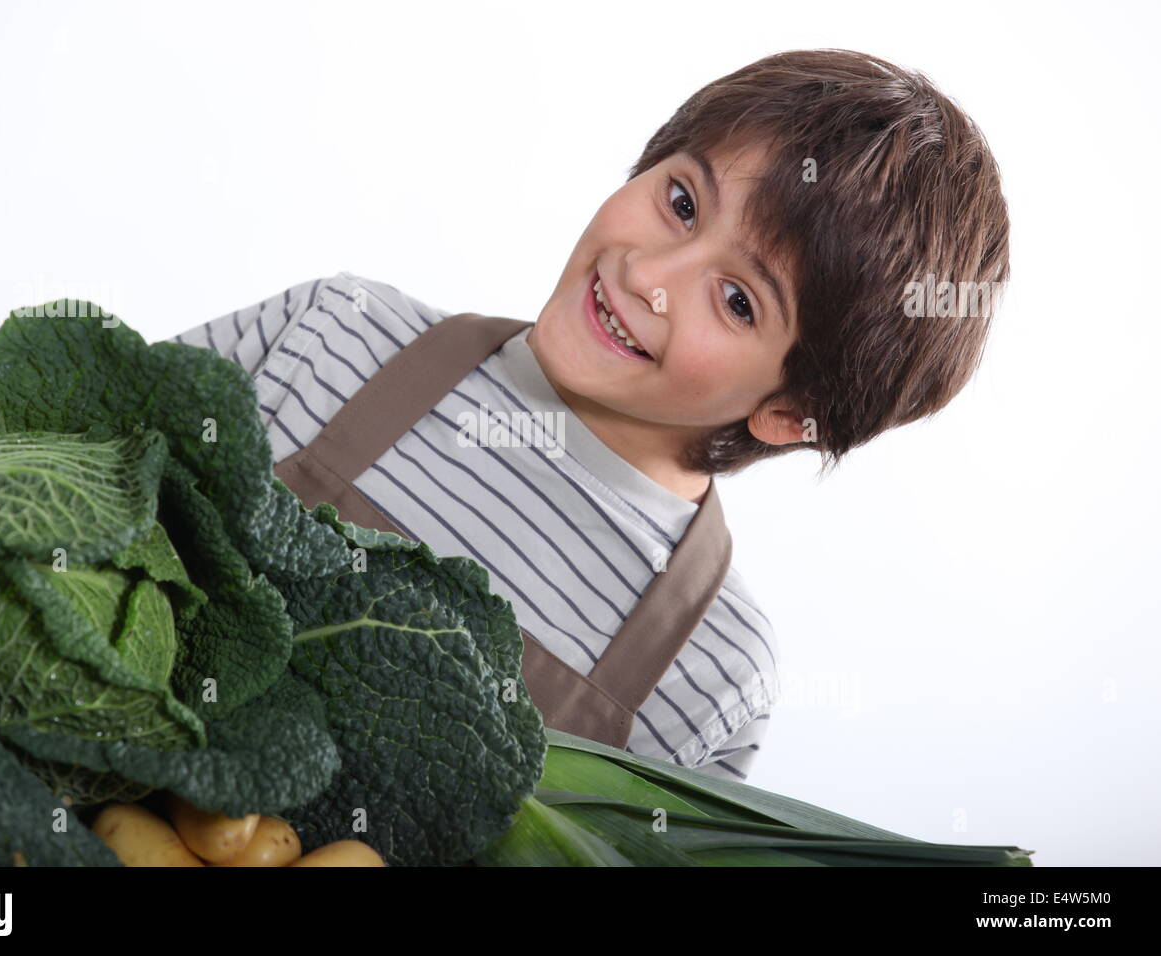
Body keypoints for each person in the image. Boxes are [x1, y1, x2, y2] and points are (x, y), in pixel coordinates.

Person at [167, 48, 1010, 783]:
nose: (649, 273)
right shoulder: (334, 333)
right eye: (682, 202)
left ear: (791, 414)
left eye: (736, 300)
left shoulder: (712, 669)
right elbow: (55, 467)